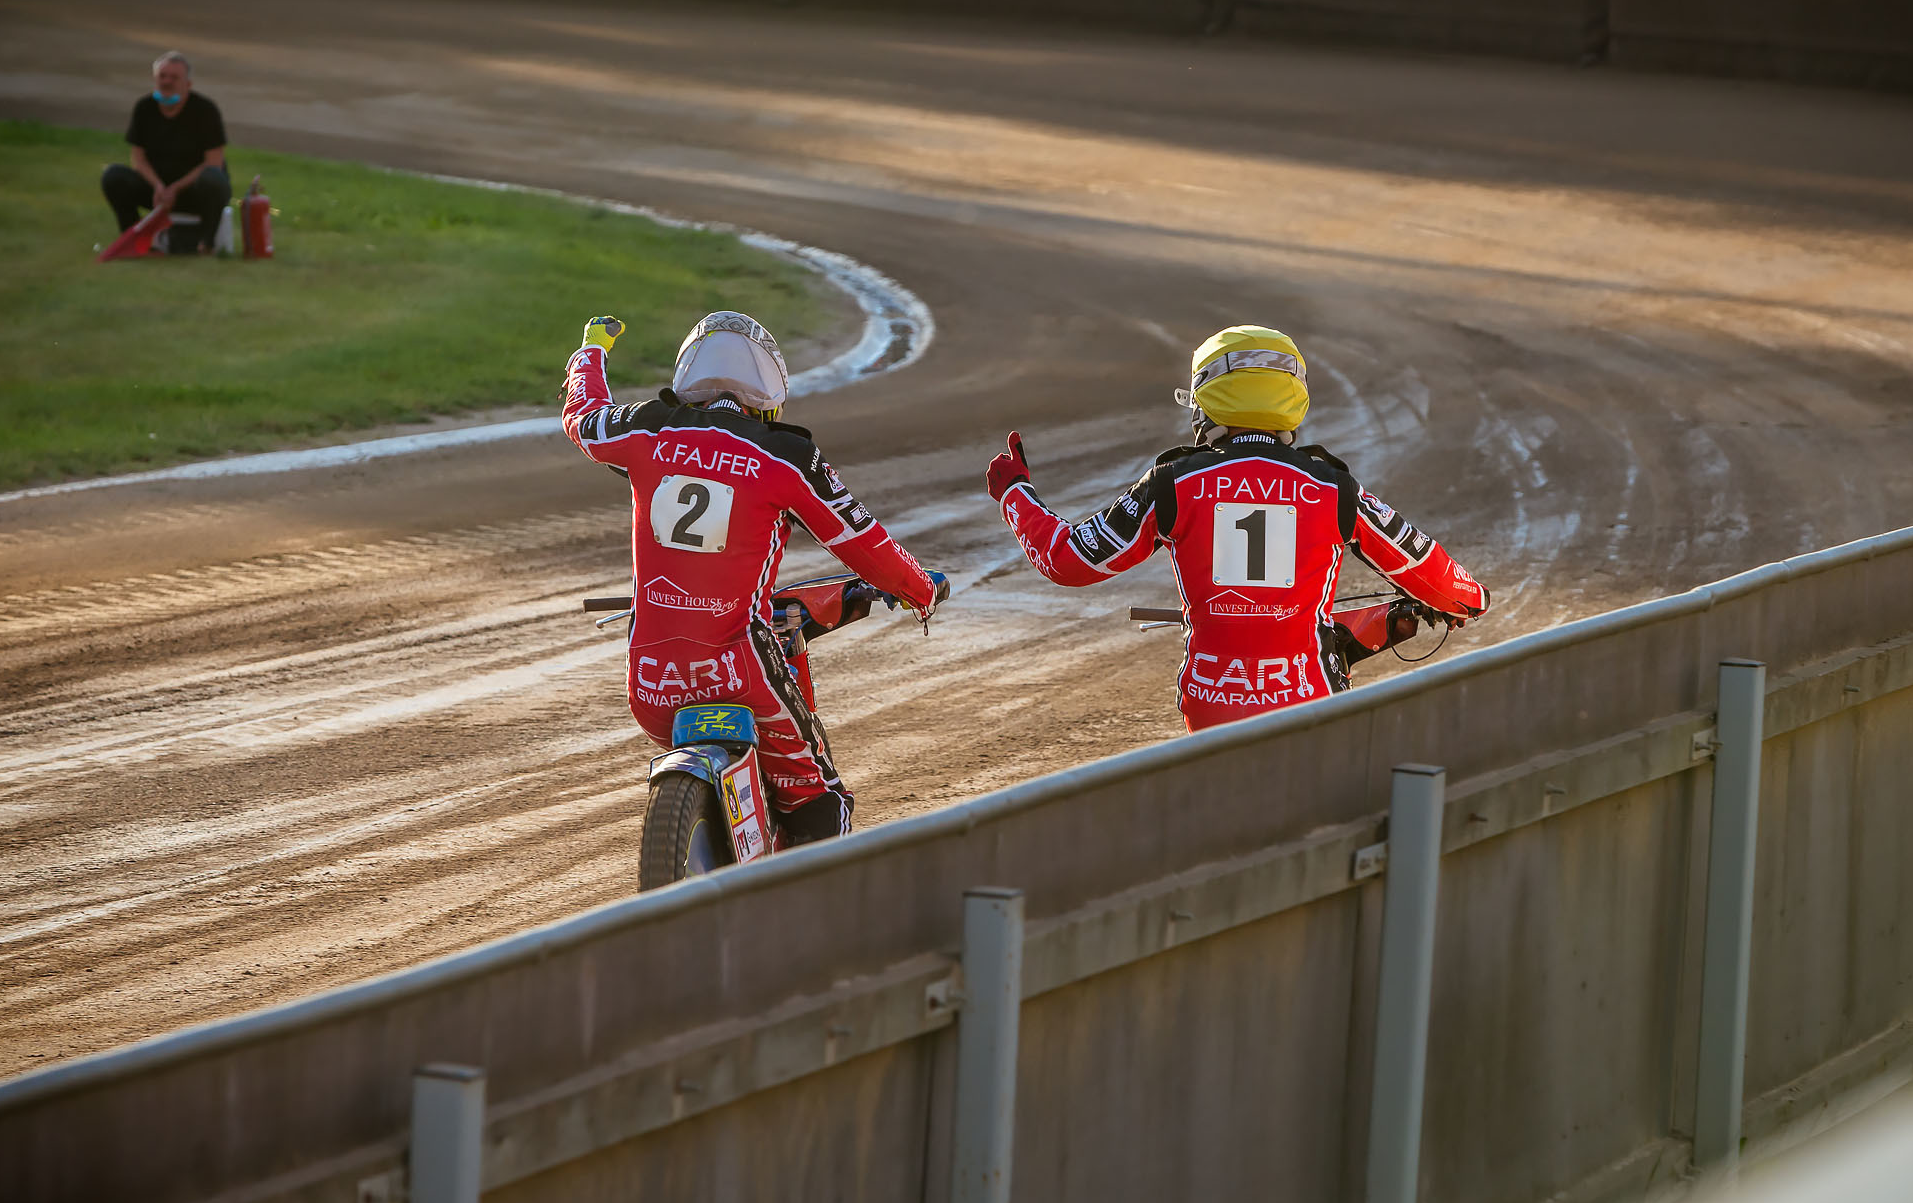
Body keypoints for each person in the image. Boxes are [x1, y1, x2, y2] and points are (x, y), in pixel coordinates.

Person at [985, 325, 1489, 731]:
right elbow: (1439, 578)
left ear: (1205, 401)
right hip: (1309, 704)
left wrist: (1016, 495)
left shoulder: (1174, 482)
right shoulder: (1334, 488)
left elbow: (1066, 560)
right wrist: (1472, 598)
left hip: (1210, 707)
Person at [562, 311, 940, 844]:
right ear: (769, 394)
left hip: (650, 681)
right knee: (819, 798)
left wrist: (592, 350)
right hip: (741, 671)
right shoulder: (787, 456)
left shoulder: (645, 428)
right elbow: (866, 543)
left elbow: (583, 415)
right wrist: (920, 588)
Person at [101, 51, 230, 253]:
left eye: (174, 77)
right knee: (113, 176)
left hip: (193, 190)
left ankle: (207, 244)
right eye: (162, 76)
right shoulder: (144, 108)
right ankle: (134, 241)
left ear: (188, 84)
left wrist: (175, 188)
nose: (167, 82)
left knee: (214, 178)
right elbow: (138, 158)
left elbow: (214, 162)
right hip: (156, 191)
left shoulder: (205, 111)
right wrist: (158, 186)